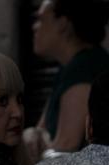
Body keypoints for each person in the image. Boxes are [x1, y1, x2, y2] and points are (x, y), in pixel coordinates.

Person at [24, 0, 109, 156]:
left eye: (41, 19)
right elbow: (40, 131)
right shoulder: (69, 67)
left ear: (63, 24)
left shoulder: (84, 68)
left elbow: (64, 148)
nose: (34, 26)